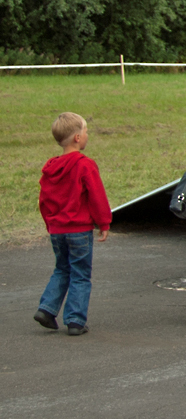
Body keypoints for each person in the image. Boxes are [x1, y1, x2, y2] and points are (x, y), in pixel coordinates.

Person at [35, 112, 112, 336]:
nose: (88, 135)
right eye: (86, 131)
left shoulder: (50, 168)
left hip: (57, 229)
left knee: (61, 269)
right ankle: (75, 319)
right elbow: (96, 196)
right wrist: (104, 222)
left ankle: (47, 308)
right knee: (80, 273)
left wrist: (50, 223)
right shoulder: (84, 165)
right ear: (78, 137)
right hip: (79, 229)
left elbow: (44, 200)